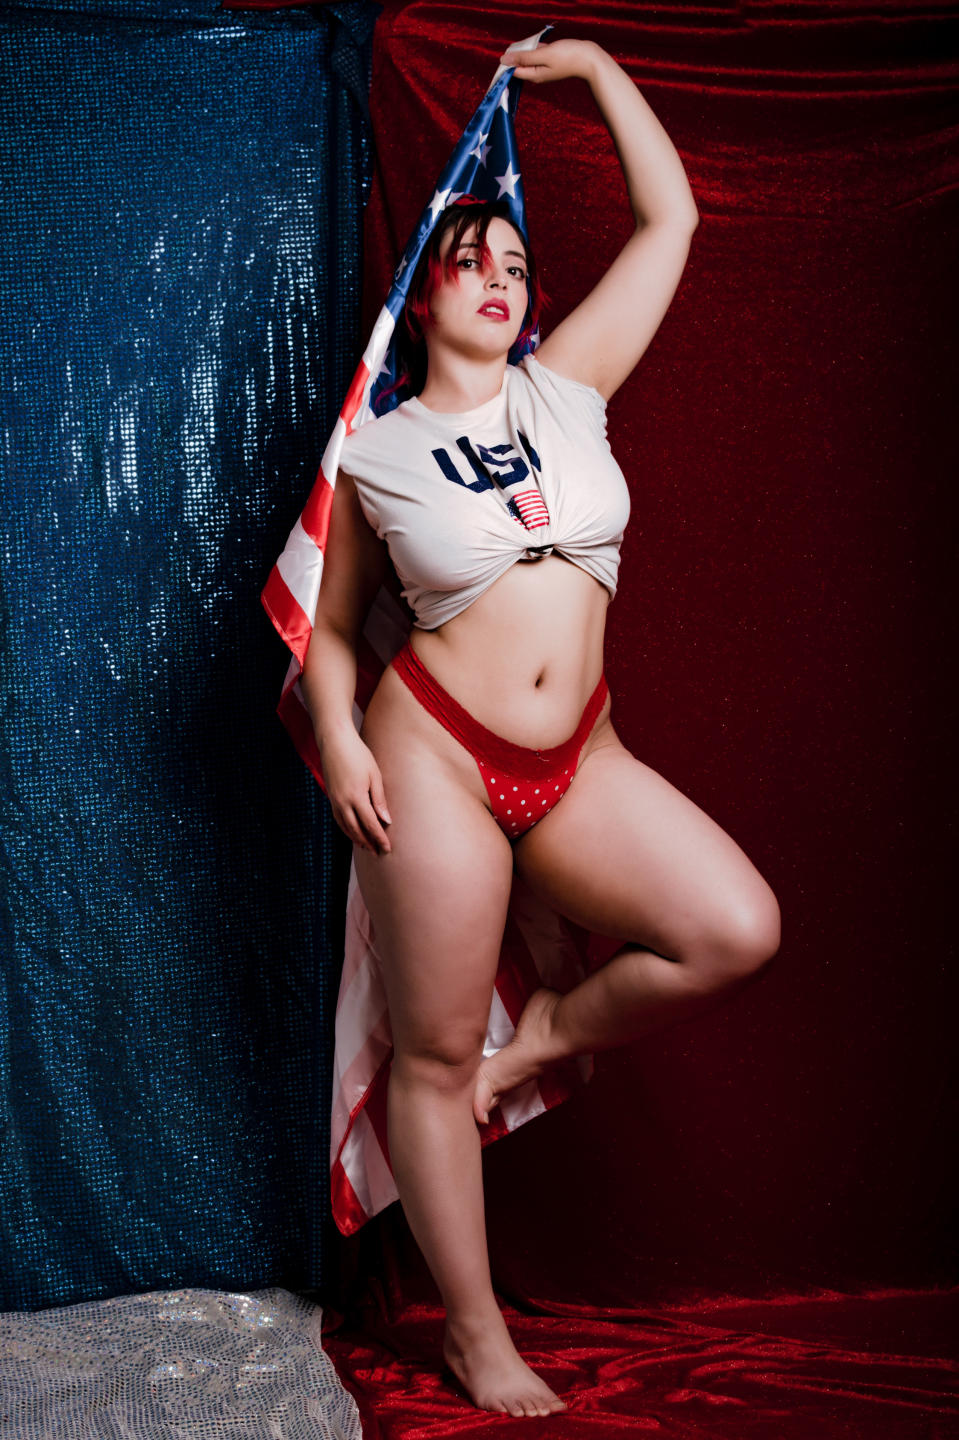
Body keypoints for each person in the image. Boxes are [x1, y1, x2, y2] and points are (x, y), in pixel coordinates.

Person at [301, 37, 781, 1420]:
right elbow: (328, 631)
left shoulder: (567, 388)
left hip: (581, 758)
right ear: (425, 289)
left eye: (516, 264)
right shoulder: (376, 452)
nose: (501, 279)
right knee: (436, 1054)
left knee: (735, 927)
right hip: (435, 759)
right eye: (473, 261)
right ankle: (474, 1330)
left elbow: (670, 220)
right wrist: (342, 740)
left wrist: (594, 70)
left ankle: (558, 1024)